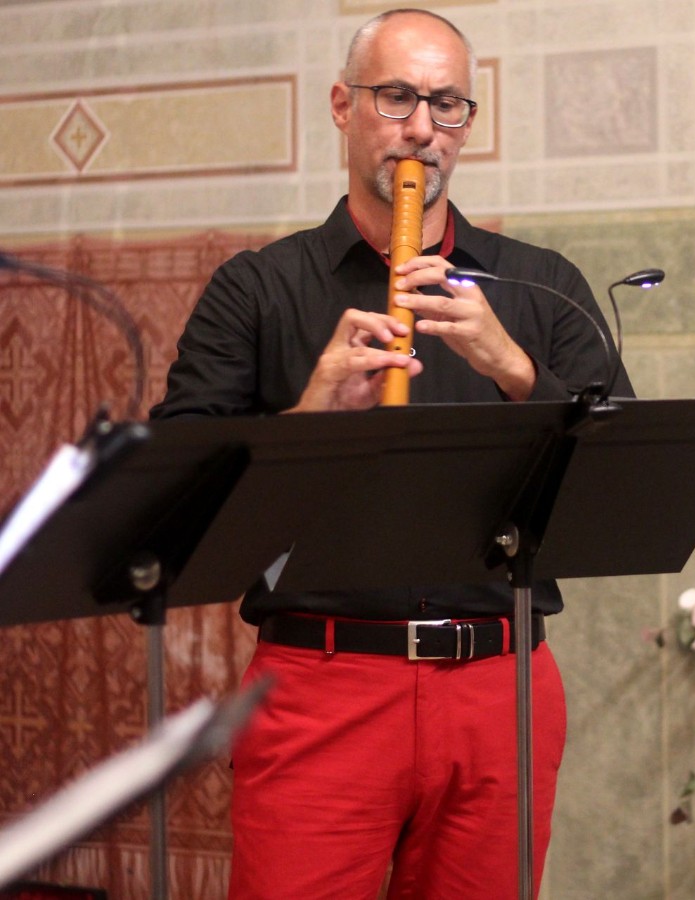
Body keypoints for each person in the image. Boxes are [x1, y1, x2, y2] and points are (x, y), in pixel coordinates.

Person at [150, 9, 631, 898]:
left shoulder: (542, 287)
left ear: (469, 123)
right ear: (343, 106)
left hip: (499, 681)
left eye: (448, 105)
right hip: (321, 676)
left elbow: (624, 474)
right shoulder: (258, 288)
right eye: (397, 97)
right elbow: (176, 489)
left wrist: (515, 368)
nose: (422, 129)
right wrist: (312, 410)